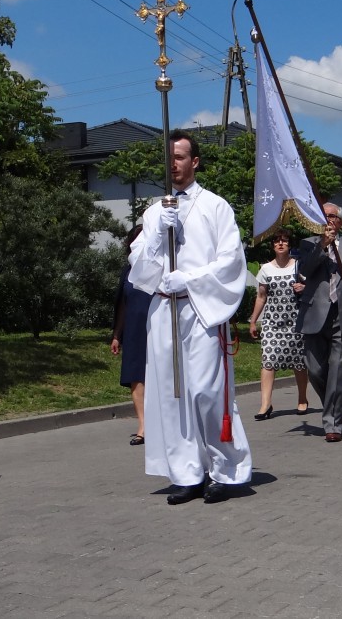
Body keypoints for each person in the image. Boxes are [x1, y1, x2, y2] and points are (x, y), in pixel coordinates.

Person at [128, 130, 251, 505]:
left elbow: (231, 261)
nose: (173, 164)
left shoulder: (215, 206)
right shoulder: (154, 212)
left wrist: (191, 279)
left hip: (200, 308)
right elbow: (138, 268)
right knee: (172, 394)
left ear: (194, 162)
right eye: (168, 157)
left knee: (205, 392)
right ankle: (187, 472)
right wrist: (156, 235)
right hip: (164, 309)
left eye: (179, 157)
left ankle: (225, 470)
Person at [296, 202, 342, 443]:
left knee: (338, 371)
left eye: (331, 216)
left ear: (339, 222)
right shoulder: (308, 244)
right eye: (323, 216)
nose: (327, 220)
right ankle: (332, 403)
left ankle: (333, 424)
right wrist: (323, 245)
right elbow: (304, 272)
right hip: (314, 316)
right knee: (316, 370)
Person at [247, 228, 309, 419]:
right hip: (272, 323)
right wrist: (253, 321)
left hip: (296, 322)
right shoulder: (266, 269)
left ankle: (302, 398)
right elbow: (261, 296)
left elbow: (312, 288)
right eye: (276, 241)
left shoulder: (298, 266)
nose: (280, 244)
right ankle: (265, 404)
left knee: (299, 362)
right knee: (268, 360)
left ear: (290, 245)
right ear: (273, 246)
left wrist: (303, 287)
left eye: (284, 241)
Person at [111, 225, 150, 446]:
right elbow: (122, 305)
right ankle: (143, 426)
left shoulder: (160, 268)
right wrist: (117, 335)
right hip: (134, 330)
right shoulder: (127, 271)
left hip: (157, 329)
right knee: (136, 377)